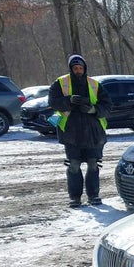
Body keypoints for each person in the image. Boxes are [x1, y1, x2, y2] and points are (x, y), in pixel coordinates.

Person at [48, 54, 112, 208]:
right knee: (74, 165)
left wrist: (93, 109)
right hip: (71, 133)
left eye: (80, 68)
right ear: (71, 69)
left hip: (93, 132)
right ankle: (75, 198)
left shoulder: (94, 84)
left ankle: (94, 195)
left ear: (84, 69)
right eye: (75, 68)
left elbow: (107, 106)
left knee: (93, 164)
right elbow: (52, 102)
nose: (78, 71)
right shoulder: (60, 83)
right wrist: (68, 100)